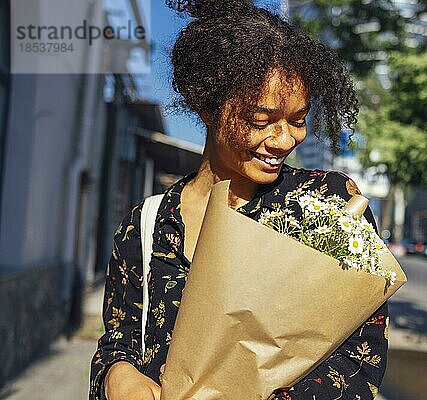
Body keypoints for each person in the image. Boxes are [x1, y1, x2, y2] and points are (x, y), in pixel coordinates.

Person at [89, 1, 390, 399]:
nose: (285, 141)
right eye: (260, 121)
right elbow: (118, 339)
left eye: (298, 121)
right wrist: (117, 375)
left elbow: (360, 358)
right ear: (206, 105)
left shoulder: (327, 206)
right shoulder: (145, 227)